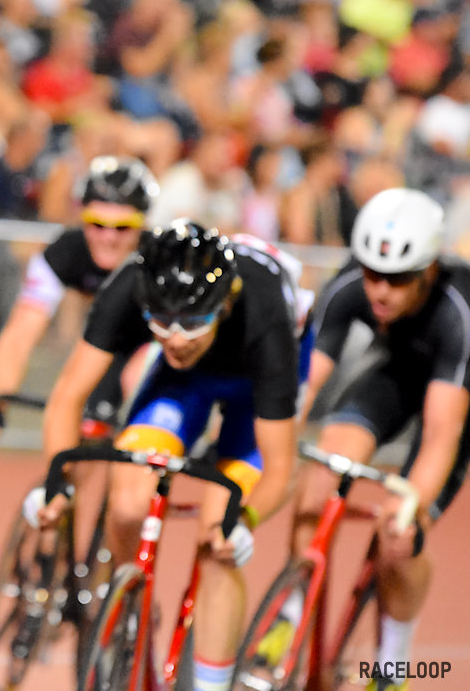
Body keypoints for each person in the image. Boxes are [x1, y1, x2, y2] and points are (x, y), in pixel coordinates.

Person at [38, 221, 303, 691]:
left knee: (217, 539)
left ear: (223, 305)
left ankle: (210, 684)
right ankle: (129, 606)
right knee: (127, 505)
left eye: (193, 322)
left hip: (250, 388)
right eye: (160, 321)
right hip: (181, 386)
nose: (176, 338)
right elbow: (66, 397)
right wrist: (57, 484)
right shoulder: (129, 286)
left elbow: (280, 468)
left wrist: (248, 520)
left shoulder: (266, 315)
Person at [263, 188, 470, 691]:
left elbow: (442, 432)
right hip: (396, 374)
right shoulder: (350, 284)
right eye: (373, 274)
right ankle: (291, 614)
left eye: (398, 280)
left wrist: (410, 502)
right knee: (319, 481)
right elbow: (303, 385)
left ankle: (393, 667)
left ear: (429, 272)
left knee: (399, 537)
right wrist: (274, 451)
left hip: (458, 397)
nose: (380, 291)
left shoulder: (458, 312)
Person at [0, 155, 160, 448]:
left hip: (150, 343)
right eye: (96, 224)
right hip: (104, 343)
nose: (108, 237)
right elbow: (20, 334)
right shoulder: (64, 252)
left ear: (143, 224)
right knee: (75, 438)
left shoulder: (159, 259)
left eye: (122, 227)